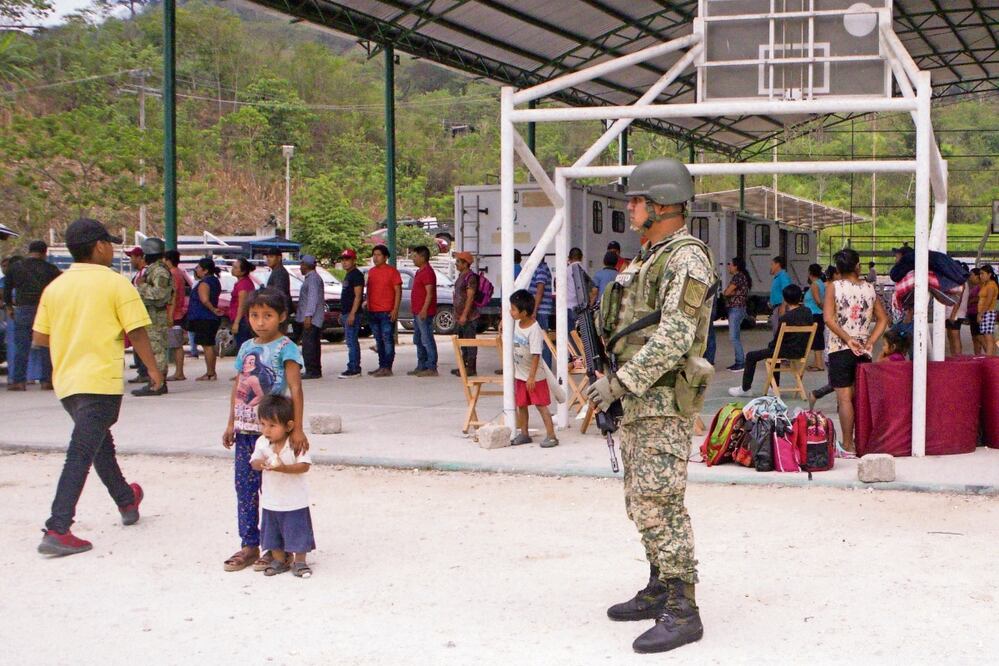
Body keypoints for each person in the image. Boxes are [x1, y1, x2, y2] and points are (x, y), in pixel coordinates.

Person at [584, 158, 715, 654]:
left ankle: (684, 609)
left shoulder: (686, 260)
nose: (629, 207)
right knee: (640, 500)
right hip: (640, 401)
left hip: (661, 399)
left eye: (635, 200)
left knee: (661, 502)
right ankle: (661, 585)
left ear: (660, 204)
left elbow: (676, 337)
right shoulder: (650, 256)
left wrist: (620, 383)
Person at [33, 218, 162, 556]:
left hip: (68, 384)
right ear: (100, 247)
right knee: (81, 453)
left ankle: (126, 499)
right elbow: (136, 332)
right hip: (100, 382)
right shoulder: (116, 284)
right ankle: (58, 527)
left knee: (98, 445)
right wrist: (153, 370)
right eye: (110, 243)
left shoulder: (56, 287)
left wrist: (73, 333)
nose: (113, 249)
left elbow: (40, 337)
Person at [222, 288, 307, 573]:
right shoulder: (246, 347)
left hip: (275, 433)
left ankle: (276, 548)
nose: (260, 322)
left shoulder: (287, 348)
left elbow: (295, 388)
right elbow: (238, 384)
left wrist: (297, 428)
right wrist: (231, 421)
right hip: (246, 430)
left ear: (282, 317)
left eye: (268, 315)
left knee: (274, 488)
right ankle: (249, 544)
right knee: (245, 489)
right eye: (254, 315)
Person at [824, 248, 889, 453]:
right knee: (859, 398)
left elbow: (828, 318)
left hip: (839, 348)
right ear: (857, 266)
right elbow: (883, 319)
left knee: (844, 398)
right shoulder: (869, 288)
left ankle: (848, 444)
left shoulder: (834, 287)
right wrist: (870, 341)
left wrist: (847, 339)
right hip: (863, 350)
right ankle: (862, 441)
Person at [249, 395, 315, 578]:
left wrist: (284, 468)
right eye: (263, 424)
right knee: (273, 533)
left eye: (272, 425)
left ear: (289, 426)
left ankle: (300, 561)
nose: (266, 430)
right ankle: (279, 559)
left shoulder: (295, 444)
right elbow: (253, 461)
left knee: (298, 530)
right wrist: (260, 463)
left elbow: (304, 466)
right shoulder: (262, 443)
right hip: (271, 499)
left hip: (295, 500)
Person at [727, 284, 813, 397]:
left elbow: (778, 339)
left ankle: (745, 388)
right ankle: (774, 387)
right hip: (801, 351)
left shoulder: (786, 318)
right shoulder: (807, 313)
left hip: (785, 351)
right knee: (774, 353)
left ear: (785, 300)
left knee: (752, 356)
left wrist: (771, 346)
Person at [4, 240, 61, 391]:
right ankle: (47, 380)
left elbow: (7, 289)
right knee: (46, 346)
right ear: (45, 252)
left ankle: (18, 381)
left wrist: (9, 306)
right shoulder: (51, 269)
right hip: (45, 309)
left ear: (29, 251)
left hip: (23, 309)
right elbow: (59, 290)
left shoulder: (15, 267)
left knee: (21, 346)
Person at [507, 289, 558, 448]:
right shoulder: (516, 323)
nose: (511, 312)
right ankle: (524, 433)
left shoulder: (534, 329)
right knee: (521, 404)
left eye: (513, 309)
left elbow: (536, 355)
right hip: (520, 375)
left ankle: (551, 435)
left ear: (523, 312)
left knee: (541, 405)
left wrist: (531, 377)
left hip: (534, 376)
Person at [132, 238, 174, 397]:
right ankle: (157, 381)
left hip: (156, 317)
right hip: (151, 315)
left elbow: (160, 295)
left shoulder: (159, 272)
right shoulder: (154, 270)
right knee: (154, 348)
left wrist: (142, 285)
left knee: (156, 349)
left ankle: (157, 383)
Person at [365, 244, 402, 377]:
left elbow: (398, 291)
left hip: (387, 311)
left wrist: (395, 309)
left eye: (378, 255)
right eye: (374, 255)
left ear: (385, 257)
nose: (375, 257)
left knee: (387, 339)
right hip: (373, 310)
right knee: (379, 340)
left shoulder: (392, 272)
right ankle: (381, 365)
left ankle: (387, 367)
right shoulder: (372, 272)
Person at [188, 258, 225, 381]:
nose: (196, 269)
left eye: (198, 267)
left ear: (205, 270)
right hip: (210, 318)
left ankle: (210, 372)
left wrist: (213, 309)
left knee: (207, 345)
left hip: (204, 317)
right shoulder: (215, 281)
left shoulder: (204, 283)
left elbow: (204, 300)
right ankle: (211, 371)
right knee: (209, 344)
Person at [409, 245, 439, 377]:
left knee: (426, 339)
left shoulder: (427, 272)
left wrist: (424, 309)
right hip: (417, 311)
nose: (413, 259)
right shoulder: (419, 271)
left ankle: (431, 366)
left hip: (423, 312)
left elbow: (429, 293)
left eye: (415, 256)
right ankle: (421, 365)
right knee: (418, 339)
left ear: (422, 257)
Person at [296, 254, 325, 379]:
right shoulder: (312, 278)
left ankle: (312, 370)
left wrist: (308, 316)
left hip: (312, 318)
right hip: (313, 317)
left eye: (301, 264)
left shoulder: (312, 279)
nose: (300, 267)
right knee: (313, 344)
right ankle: (315, 369)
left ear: (306, 265)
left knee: (309, 345)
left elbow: (312, 298)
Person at [451, 251, 480, 376]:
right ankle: (463, 366)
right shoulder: (461, 276)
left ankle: (471, 368)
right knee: (463, 342)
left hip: (469, 317)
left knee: (470, 342)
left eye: (458, 262)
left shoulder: (470, 277)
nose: (456, 264)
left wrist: (464, 314)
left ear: (465, 264)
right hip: (461, 316)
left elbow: (470, 297)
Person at [337, 249, 365, 379]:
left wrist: (352, 314)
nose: (345, 262)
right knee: (350, 341)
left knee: (352, 341)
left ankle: (354, 368)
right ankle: (352, 366)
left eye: (347, 259)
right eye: (343, 259)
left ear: (354, 261)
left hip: (352, 313)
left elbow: (358, 296)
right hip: (346, 312)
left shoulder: (356, 275)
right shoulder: (348, 275)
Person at [721, 257, 751, 372]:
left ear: (736, 266)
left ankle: (740, 362)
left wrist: (730, 292)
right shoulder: (742, 277)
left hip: (736, 309)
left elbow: (726, 292)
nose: (729, 267)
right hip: (739, 308)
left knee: (733, 337)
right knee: (735, 336)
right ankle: (739, 361)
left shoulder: (738, 277)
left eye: (731, 265)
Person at [164, 250, 188, 382]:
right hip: (178, 312)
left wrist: (170, 316)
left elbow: (173, 296)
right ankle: (179, 371)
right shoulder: (179, 273)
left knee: (176, 345)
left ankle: (179, 372)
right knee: (177, 344)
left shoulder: (173, 274)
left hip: (174, 314)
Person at [529, 252, 554, 367]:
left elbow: (540, 291)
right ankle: (542, 366)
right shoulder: (541, 269)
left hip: (540, 311)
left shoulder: (541, 270)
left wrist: (534, 310)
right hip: (541, 310)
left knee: (543, 340)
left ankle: (545, 367)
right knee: (540, 339)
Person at [229, 258, 256, 354]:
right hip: (242, 319)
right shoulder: (241, 283)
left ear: (243, 271)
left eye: (236, 267)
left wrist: (236, 322)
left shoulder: (243, 284)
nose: (233, 269)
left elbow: (242, 305)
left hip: (242, 320)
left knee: (244, 347)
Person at [804, 263, 827, 372]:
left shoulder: (814, 285)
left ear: (810, 273)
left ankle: (819, 364)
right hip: (816, 314)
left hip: (815, 315)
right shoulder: (820, 283)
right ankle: (816, 362)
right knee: (816, 338)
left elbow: (818, 301)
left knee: (816, 339)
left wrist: (826, 310)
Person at [565, 246, 592, 333]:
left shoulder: (566, 270)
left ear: (569, 258)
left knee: (569, 333)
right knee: (579, 333)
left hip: (568, 306)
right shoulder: (584, 270)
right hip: (580, 307)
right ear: (581, 257)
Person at [263, 247, 292, 319]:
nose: (268, 259)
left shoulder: (279, 272)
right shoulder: (276, 271)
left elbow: (279, 293)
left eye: (271, 257)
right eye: (267, 257)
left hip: (278, 310)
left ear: (279, 258)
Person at [946, 270, 970, 357]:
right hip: (952, 313)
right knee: (951, 336)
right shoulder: (961, 282)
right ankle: (954, 356)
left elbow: (958, 300)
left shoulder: (960, 283)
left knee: (955, 337)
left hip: (955, 313)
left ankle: (958, 357)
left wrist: (953, 314)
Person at [978, 264, 998, 356]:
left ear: (989, 274)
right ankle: (992, 357)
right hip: (986, 312)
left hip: (988, 312)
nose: (980, 276)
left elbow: (989, 300)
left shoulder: (991, 285)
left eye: (982, 273)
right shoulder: (985, 284)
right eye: (980, 274)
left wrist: (981, 314)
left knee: (988, 336)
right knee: (987, 336)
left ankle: (989, 358)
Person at [768, 256, 792, 334]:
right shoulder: (778, 277)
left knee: (778, 332)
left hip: (780, 307)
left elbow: (787, 292)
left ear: (777, 264)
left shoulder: (783, 276)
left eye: (772, 264)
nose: (771, 267)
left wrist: (783, 306)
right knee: (776, 330)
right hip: (776, 307)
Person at [967, 269, 984, 355]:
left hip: (977, 313)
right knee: (974, 337)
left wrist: (971, 301)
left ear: (977, 276)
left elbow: (982, 297)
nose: (970, 277)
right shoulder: (975, 287)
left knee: (979, 336)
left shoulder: (982, 286)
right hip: (972, 313)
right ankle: (977, 355)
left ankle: (989, 354)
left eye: (971, 275)